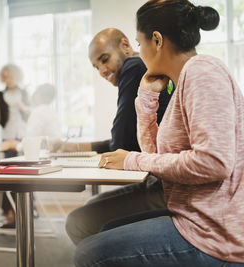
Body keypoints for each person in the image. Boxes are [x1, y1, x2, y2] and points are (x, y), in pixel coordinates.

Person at [75, 1, 244, 266]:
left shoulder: (202, 72)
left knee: (90, 253)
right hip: (193, 218)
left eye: (139, 44)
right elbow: (156, 156)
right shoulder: (182, 80)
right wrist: (146, 99)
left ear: (156, 40)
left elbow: (215, 162)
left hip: (216, 235)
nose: (139, 52)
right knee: (103, 231)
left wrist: (132, 160)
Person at [64, 28, 174, 245]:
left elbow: (121, 142)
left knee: (79, 221)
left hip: (168, 186)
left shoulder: (133, 68)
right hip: (161, 178)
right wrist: (77, 147)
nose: (103, 70)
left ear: (126, 45)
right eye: (97, 67)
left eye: (104, 60)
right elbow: (128, 143)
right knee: (92, 205)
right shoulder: (139, 69)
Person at [0, 63, 30, 228]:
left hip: (24, 137)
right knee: (11, 175)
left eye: (10, 76)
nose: (7, 79)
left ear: (16, 76)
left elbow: (32, 114)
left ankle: (27, 210)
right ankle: (12, 212)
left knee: (26, 175)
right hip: (7, 138)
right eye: (4, 77)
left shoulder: (24, 93)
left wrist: (23, 107)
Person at [1, 83, 62, 151]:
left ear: (38, 95)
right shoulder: (50, 112)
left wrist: (13, 145)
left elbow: (31, 145)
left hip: (43, 156)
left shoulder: (38, 112)